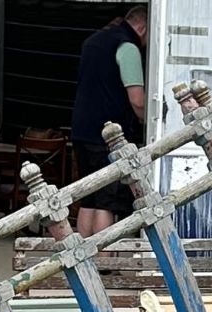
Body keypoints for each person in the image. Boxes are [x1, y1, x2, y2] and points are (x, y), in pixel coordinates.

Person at [71, 5, 148, 237]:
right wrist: (149, 122)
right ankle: (104, 264)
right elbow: (137, 100)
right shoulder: (127, 47)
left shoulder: (93, 41)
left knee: (89, 198)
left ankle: (83, 262)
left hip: (82, 130)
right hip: (108, 135)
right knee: (107, 201)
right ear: (143, 28)